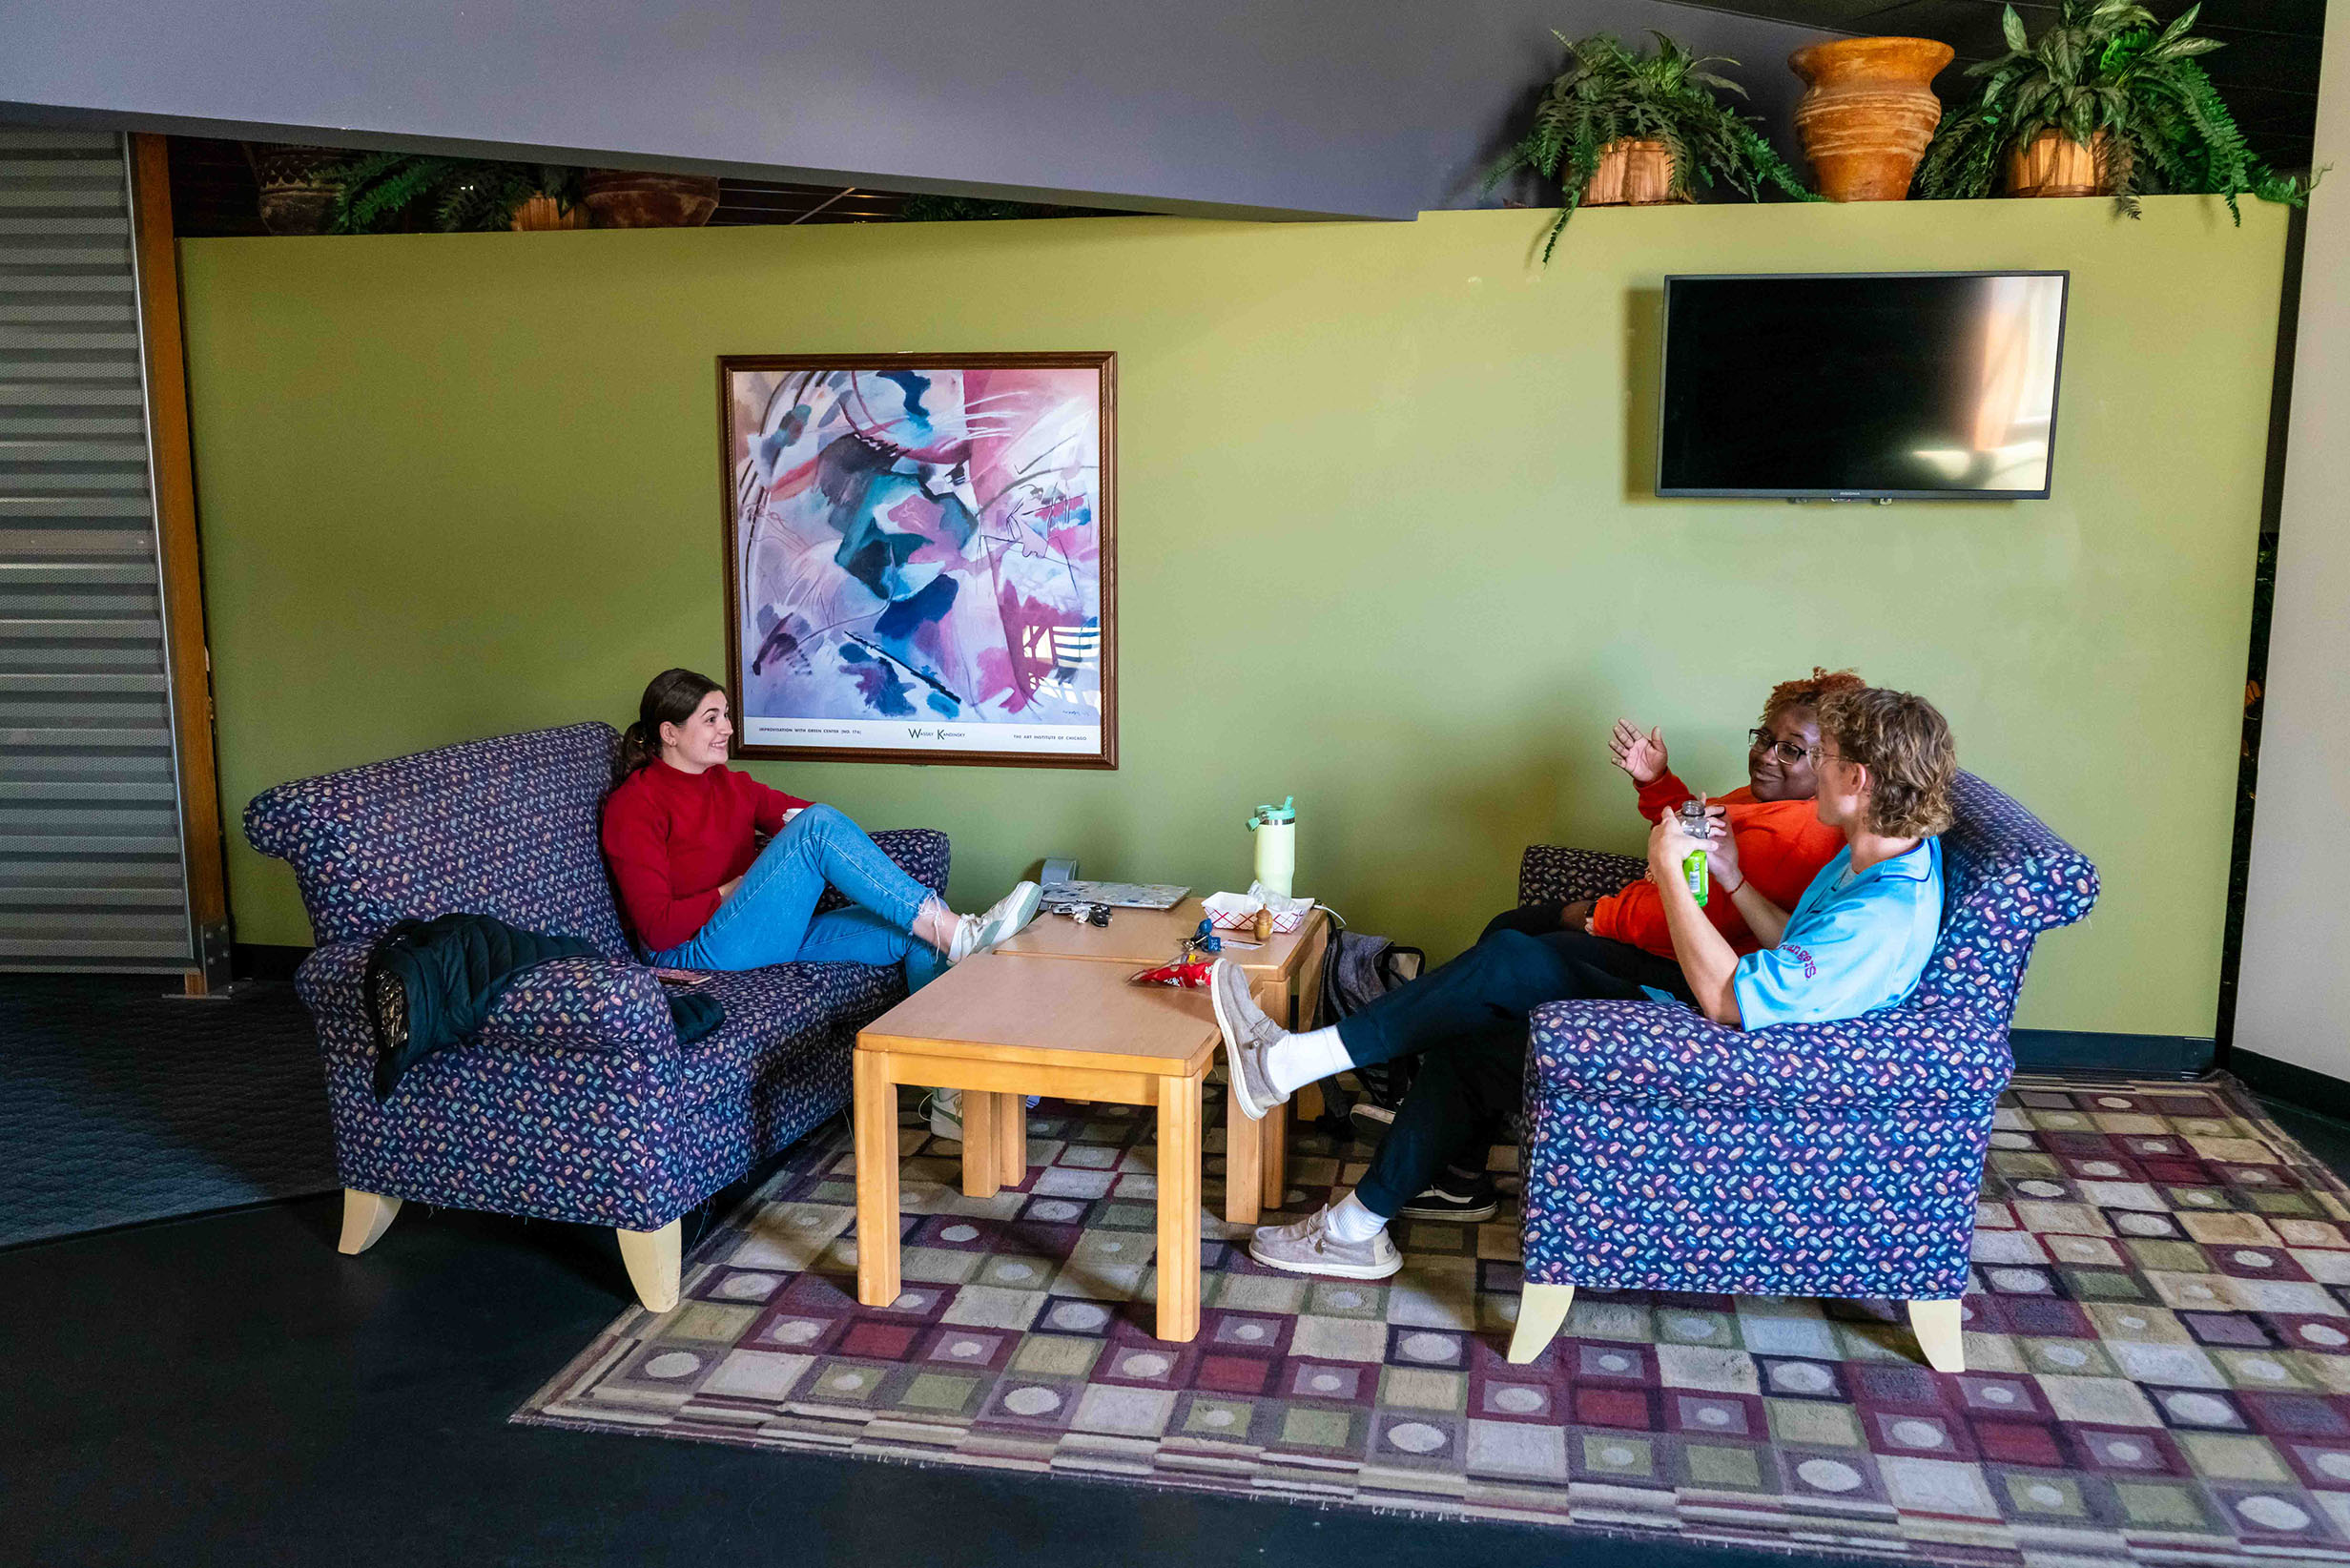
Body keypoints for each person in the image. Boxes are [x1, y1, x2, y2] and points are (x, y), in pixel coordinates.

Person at [1212, 684, 1957, 1280]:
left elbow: (1731, 1002)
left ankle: (1291, 1065)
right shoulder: (1877, 852)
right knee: (1483, 1032)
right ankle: (1353, 1227)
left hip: (1749, 1065)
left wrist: (1671, 873)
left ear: (1856, 778)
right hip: (1745, 1020)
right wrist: (1729, 875)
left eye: (1823, 758)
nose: (1810, 770)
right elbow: (1794, 942)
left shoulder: (1881, 914)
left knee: (1512, 966)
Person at [1386, 669, 1861, 1218]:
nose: (1765, 756)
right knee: (1505, 933)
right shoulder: (1769, 802)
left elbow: (1680, 917)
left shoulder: (1794, 833)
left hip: (1663, 966)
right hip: (1640, 935)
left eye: (1790, 750)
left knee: (1508, 952)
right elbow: (1692, 834)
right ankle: (1453, 1152)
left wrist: (1595, 917)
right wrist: (1656, 780)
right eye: (1763, 737)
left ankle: (1436, 1127)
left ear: (1832, 763)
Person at [601, 668, 1041, 987]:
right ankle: (960, 931)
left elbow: (805, 817)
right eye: (711, 718)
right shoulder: (635, 806)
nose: (728, 729)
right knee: (819, 826)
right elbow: (657, 928)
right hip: (693, 953)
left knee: (918, 934)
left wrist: (801, 841)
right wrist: (732, 890)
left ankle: (947, 1093)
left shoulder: (730, 784)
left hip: (762, 934)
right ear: (669, 733)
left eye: (727, 715)